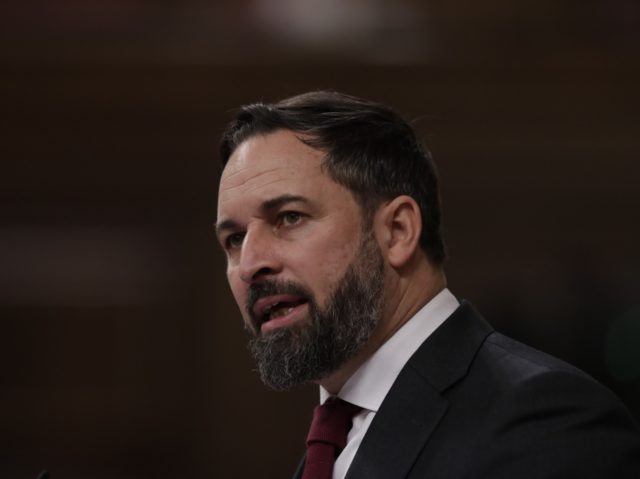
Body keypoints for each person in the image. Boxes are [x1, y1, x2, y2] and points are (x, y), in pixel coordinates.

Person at [215, 91, 640, 478]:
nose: (250, 263)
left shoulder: (542, 420)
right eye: (234, 240)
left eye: (289, 218)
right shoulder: (331, 447)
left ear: (397, 231)